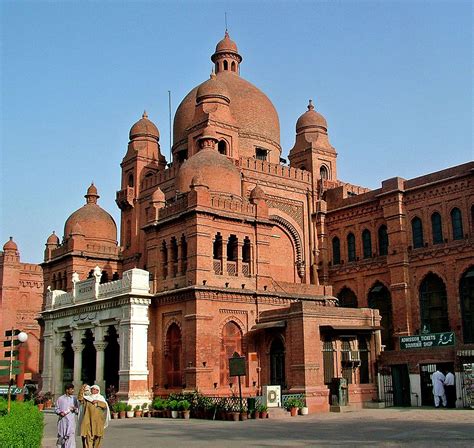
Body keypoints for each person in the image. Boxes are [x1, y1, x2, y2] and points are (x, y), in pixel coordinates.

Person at [55, 383, 79, 448]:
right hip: (62, 421)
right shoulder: (60, 399)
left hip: (71, 421)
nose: (73, 391)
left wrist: (75, 409)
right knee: (62, 437)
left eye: (73, 389)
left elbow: (78, 410)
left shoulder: (74, 399)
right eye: (71, 389)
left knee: (71, 436)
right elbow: (56, 409)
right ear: (67, 390)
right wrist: (60, 412)